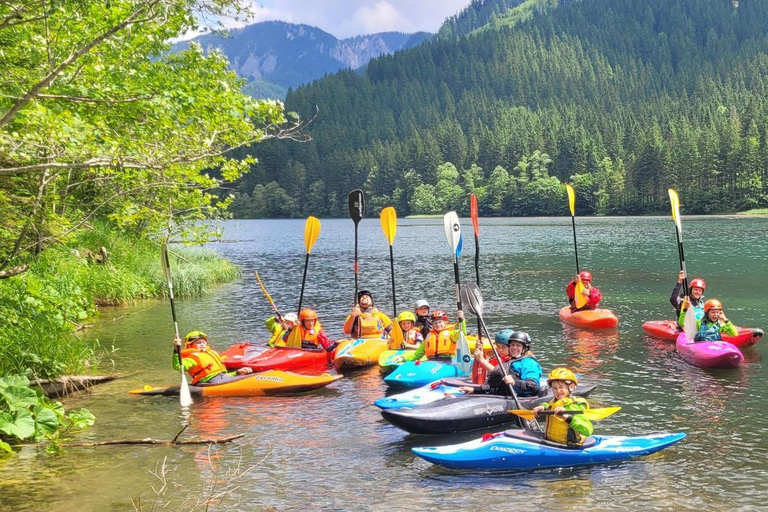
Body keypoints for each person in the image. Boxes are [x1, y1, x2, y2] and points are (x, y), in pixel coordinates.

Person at [459, 330, 542, 397]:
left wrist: (514, 382)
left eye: (518, 345)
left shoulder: (529, 363)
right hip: (502, 396)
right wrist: (475, 390)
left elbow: (532, 386)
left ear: (525, 348)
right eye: (512, 345)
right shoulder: (508, 362)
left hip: (519, 398)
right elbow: (496, 386)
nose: (514, 348)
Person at [532, 368, 593, 446]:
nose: (558, 391)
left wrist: (568, 417)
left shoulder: (574, 406)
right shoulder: (555, 401)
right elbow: (552, 406)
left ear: (571, 387)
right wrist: (544, 407)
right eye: (555, 388)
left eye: (561, 387)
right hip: (551, 443)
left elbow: (588, 430)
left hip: (568, 447)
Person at [173, 331, 253, 385]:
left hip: (222, 378)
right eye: (198, 342)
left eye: (203, 342)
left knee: (248, 375)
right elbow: (179, 367)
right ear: (190, 345)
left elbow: (223, 376)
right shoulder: (192, 358)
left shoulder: (212, 353)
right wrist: (176, 349)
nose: (202, 344)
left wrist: (237, 372)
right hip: (210, 381)